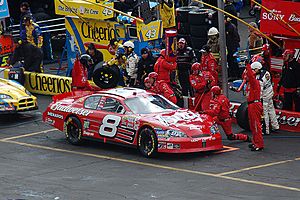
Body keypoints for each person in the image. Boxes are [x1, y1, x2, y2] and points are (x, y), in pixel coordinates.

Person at [251, 62, 279, 135]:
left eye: (254, 69)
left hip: (264, 96)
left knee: (264, 113)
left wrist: (258, 100)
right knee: (271, 110)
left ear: (257, 69)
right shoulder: (266, 72)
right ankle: (275, 126)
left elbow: (259, 91)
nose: (252, 71)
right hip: (270, 93)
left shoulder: (260, 79)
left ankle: (266, 130)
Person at [244, 61, 264, 151]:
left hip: (255, 104)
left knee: (256, 125)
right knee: (252, 125)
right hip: (251, 104)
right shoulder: (250, 83)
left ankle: (259, 144)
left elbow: (251, 76)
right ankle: (255, 142)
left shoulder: (255, 82)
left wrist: (247, 66)